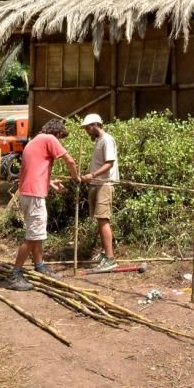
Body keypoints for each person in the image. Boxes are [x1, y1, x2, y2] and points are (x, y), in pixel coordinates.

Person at [8, 119, 79, 292]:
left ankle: (40, 265)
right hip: (34, 195)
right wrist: (76, 177)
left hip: (27, 193)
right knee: (33, 236)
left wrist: (51, 183)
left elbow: (36, 170)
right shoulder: (49, 138)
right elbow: (70, 161)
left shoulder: (34, 141)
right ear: (57, 133)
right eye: (60, 137)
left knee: (36, 233)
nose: (60, 141)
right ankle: (15, 274)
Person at [80, 114, 118, 272]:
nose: (87, 131)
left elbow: (110, 163)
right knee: (100, 219)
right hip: (97, 183)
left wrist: (93, 175)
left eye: (88, 128)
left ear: (96, 125)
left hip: (104, 184)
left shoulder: (107, 139)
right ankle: (105, 252)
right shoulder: (99, 141)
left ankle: (110, 259)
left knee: (103, 219)